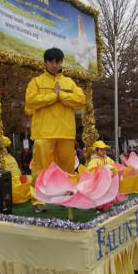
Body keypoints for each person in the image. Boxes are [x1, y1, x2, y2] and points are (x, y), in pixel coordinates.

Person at [25, 47, 86, 212]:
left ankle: (67, 197)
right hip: (44, 132)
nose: (54, 64)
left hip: (66, 132)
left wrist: (62, 96)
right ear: (45, 62)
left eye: (57, 61)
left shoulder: (69, 82)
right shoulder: (36, 82)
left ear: (61, 63)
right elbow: (31, 101)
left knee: (67, 168)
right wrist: (53, 96)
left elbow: (80, 100)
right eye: (51, 61)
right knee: (40, 167)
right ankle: (39, 201)